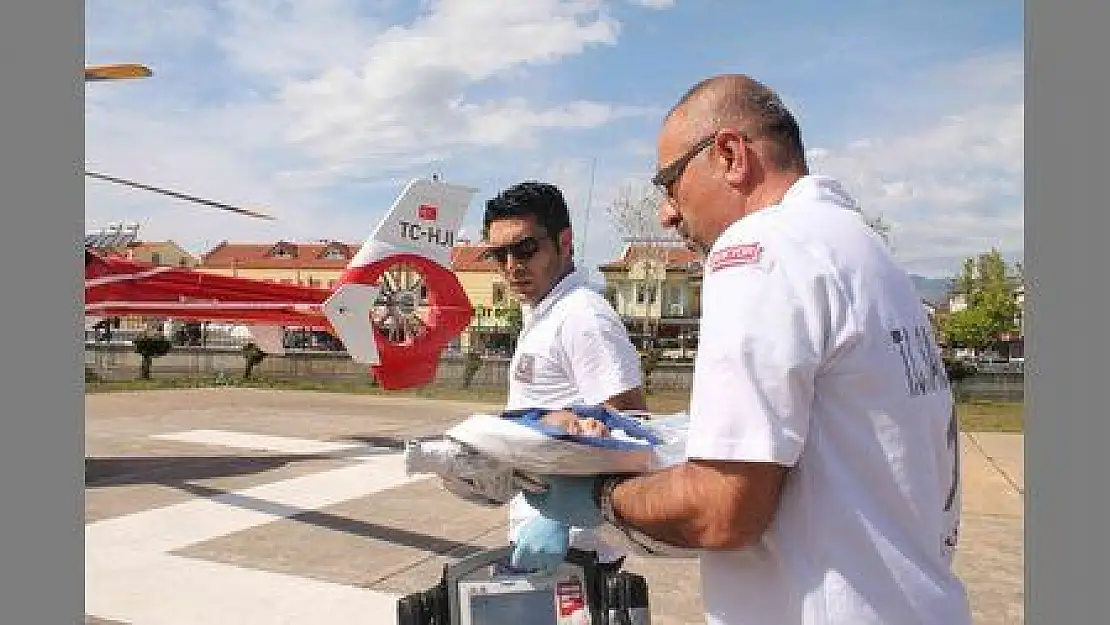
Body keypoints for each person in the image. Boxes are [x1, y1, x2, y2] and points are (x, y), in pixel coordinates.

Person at [512, 74, 973, 624]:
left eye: (668, 183)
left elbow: (722, 509)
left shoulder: (758, 249)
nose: (666, 213)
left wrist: (597, 499)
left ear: (730, 154)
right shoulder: (862, 250)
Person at [478, 180, 648, 572]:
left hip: (575, 546)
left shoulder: (583, 318)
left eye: (525, 248)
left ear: (564, 241)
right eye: (499, 254)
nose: (511, 266)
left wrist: (560, 516)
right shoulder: (544, 314)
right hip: (544, 540)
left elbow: (631, 431)